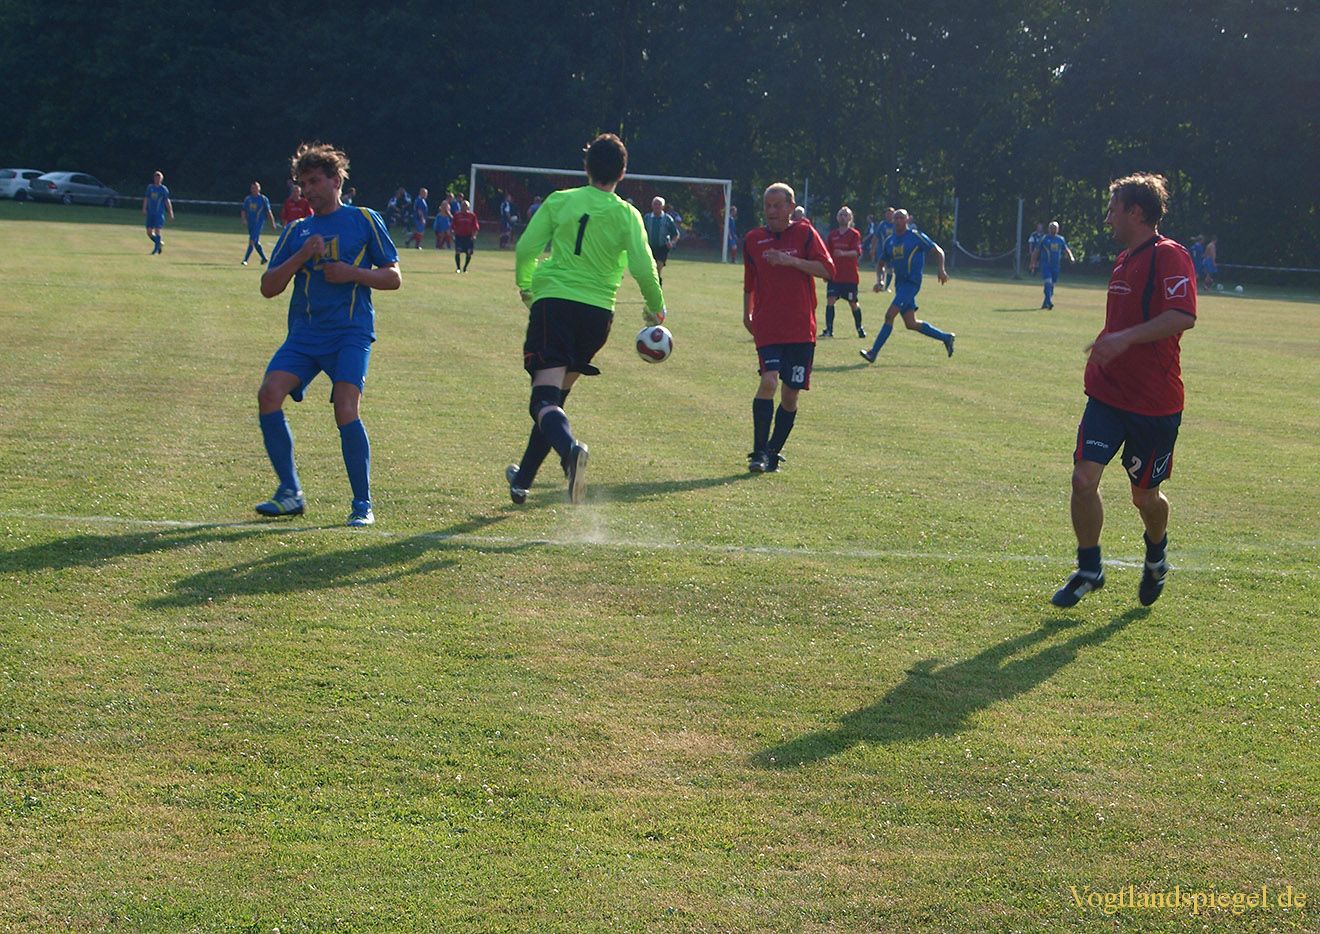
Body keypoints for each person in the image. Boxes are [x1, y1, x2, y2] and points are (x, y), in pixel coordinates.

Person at [1050, 173, 1197, 608]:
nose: (1107, 217)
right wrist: (1109, 344)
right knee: (1083, 479)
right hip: (1108, 394)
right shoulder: (1122, 259)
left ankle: (1156, 554)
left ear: (1136, 211)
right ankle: (1089, 568)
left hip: (1154, 403)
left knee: (1144, 497)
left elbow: (1183, 315)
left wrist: (1125, 338)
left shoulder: (1169, 255)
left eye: (1113, 208)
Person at [505, 132, 666, 505]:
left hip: (556, 305)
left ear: (586, 166)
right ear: (622, 173)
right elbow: (644, 266)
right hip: (598, 316)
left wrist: (526, 285)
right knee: (555, 399)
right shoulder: (627, 214)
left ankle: (571, 452)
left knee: (542, 401)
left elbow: (527, 247)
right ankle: (522, 479)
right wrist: (656, 306)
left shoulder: (561, 201)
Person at [254, 142, 401, 528]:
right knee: (269, 394)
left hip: (350, 332)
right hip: (305, 336)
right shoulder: (297, 231)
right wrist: (302, 255)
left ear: (336, 181)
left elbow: (393, 277)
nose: (308, 191)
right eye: (303, 184)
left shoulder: (364, 219)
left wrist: (353, 274)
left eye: (315, 181)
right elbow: (268, 287)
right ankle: (290, 493)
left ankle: (362, 505)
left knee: (345, 407)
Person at [743, 183, 836, 473]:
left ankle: (773, 451)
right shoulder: (753, 239)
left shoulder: (806, 234)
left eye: (777, 205)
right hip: (768, 326)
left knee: (790, 394)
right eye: (767, 206)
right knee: (769, 381)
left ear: (790, 207)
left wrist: (789, 261)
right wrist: (746, 313)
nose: (771, 211)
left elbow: (827, 270)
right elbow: (750, 281)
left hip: (800, 329)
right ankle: (758, 453)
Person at [860, 209, 954, 363]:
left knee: (889, 315)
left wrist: (941, 269)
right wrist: (880, 280)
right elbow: (881, 263)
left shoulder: (915, 236)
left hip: (912, 283)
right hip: (900, 285)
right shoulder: (890, 241)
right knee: (911, 323)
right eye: (896, 218)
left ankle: (873, 353)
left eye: (901, 218)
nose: (898, 221)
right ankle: (946, 338)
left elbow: (938, 251)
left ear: (907, 220)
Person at [822, 205, 866, 338]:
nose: (843, 217)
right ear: (837, 218)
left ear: (850, 218)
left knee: (853, 303)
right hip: (835, 276)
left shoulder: (854, 234)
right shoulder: (832, 235)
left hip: (849, 276)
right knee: (830, 300)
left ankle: (859, 328)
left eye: (846, 215)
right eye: (841, 214)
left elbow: (857, 252)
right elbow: (827, 254)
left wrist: (843, 253)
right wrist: (826, 271)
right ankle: (829, 330)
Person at [1030, 221, 1076, 309]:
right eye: (1052, 228)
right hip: (1046, 265)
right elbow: (1036, 251)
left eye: (1055, 228)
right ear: (1049, 229)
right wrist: (1033, 263)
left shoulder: (1060, 239)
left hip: (1056, 266)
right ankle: (1049, 302)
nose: (1054, 230)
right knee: (1048, 282)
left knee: (1052, 285)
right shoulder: (1044, 239)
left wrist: (1071, 257)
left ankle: (1045, 303)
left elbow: (1066, 249)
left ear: (1058, 229)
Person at [643, 196, 680, 285]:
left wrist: (672, 242)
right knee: (650, 269)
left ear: (663, 206)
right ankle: (652, 285)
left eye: (659, 204)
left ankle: (657, 286)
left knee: (658, 269)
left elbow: (675, 234)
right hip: (649, 247)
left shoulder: (667, 219)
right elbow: (641, 231)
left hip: (662, 247)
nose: (657, 206)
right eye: (655, 204)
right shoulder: (647, 218)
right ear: (652, 205)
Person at [240, 181, 278, 266]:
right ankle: (264, 258)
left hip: (258, 223)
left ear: (259, 189)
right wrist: (243, 219)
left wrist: (272, 222)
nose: (254, 189)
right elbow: (243, 210)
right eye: (253, 188)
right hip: (250, 223)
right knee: (256, 242)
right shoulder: (248, 199)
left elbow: (268, 212)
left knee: (252, 240)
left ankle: (245, 260)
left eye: (256, 188)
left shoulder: (263, 199)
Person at [143, 171, 173, 255]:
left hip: (159, 213)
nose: (157, 179)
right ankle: (159, 243)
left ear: (161, 179)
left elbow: (167, 201)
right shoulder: (150, 187)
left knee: (157, 231)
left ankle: (156, 250)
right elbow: (146, 198)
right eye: (156, 177)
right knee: (149, 232)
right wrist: (144, 208)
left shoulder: (163, 189)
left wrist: (170, 211)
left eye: (159, 178)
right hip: (150, 213)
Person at [451, 198, 479, 272]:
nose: (464, 207)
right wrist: (453, 235)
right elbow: (453, 226)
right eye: (463, 206)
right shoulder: (457, 215)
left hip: (468, 237)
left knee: (469, 253)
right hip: (459, 236)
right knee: (458, 251)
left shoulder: (472, 216)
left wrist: (474, 235)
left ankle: (465, 268)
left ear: (468, 207)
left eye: (466, 206)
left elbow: (476, 227)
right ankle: (458, 268)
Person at [875, 207, 897, 290]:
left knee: (890, 269)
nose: (889, 215)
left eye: (891, 214)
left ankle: (886, 287)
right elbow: (876, 237)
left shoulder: (897, 224)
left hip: (893, 250)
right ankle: (880, 281)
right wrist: (873, 249)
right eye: (887, 214)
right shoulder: (882, 224)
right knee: (881, 265)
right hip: (882, 249)